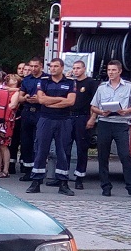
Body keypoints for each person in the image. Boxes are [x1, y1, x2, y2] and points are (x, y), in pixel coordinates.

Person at [89, 60, 131, 199]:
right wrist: (101, 112)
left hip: (121, 123)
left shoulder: (129, 87)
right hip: (105, 123)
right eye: (109, 70)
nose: (110, 73)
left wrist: (126, 111)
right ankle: (105, 186)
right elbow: (93, 106)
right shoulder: (102, 88)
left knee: (125, 155)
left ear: (119, 71)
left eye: (113, 70)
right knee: (103, 156)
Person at [25, 58, 76, 196]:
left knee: (63, 152)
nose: (52, 69)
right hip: (45, 119)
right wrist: (61, 100)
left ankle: (63, 184)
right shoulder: (44, 81)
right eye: (51, 66)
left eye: (56, 66)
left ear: (62, 67)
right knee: (41, 150)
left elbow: (71, 101)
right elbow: (41, 100)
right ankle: (36, 182)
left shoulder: (70, 82)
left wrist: (50, 102)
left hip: (63, 120)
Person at [67, 60, 97, 189]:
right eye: (74, 68)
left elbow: (95, 103)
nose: (76, 70)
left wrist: (92, 119)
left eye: (78, 68)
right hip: (69, 117)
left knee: (81, 148)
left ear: (84, 69)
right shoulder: (70, 82)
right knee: (65, 148)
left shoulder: (90, 83)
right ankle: (62, 176)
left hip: (82, 117)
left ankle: (79, 177)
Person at [17, 57, 46, 181]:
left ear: (41, 67)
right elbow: (20, 97)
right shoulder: (27, 80)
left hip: (41, 112)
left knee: (38, 142)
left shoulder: (47, 79)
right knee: (26, 142)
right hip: (28, 112)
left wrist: (39, 99)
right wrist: (26, 98)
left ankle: (38, 171)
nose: (33, 69)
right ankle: (28, 171)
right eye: (32, 66)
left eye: (36, 66)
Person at [0, 74, 20, 178]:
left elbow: (12, 105)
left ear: (16, 81)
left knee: (4, 145)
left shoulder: (16, 92)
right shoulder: (2, 90)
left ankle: (5, 170)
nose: (9, 79)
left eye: (12, 78)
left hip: (6, 122)